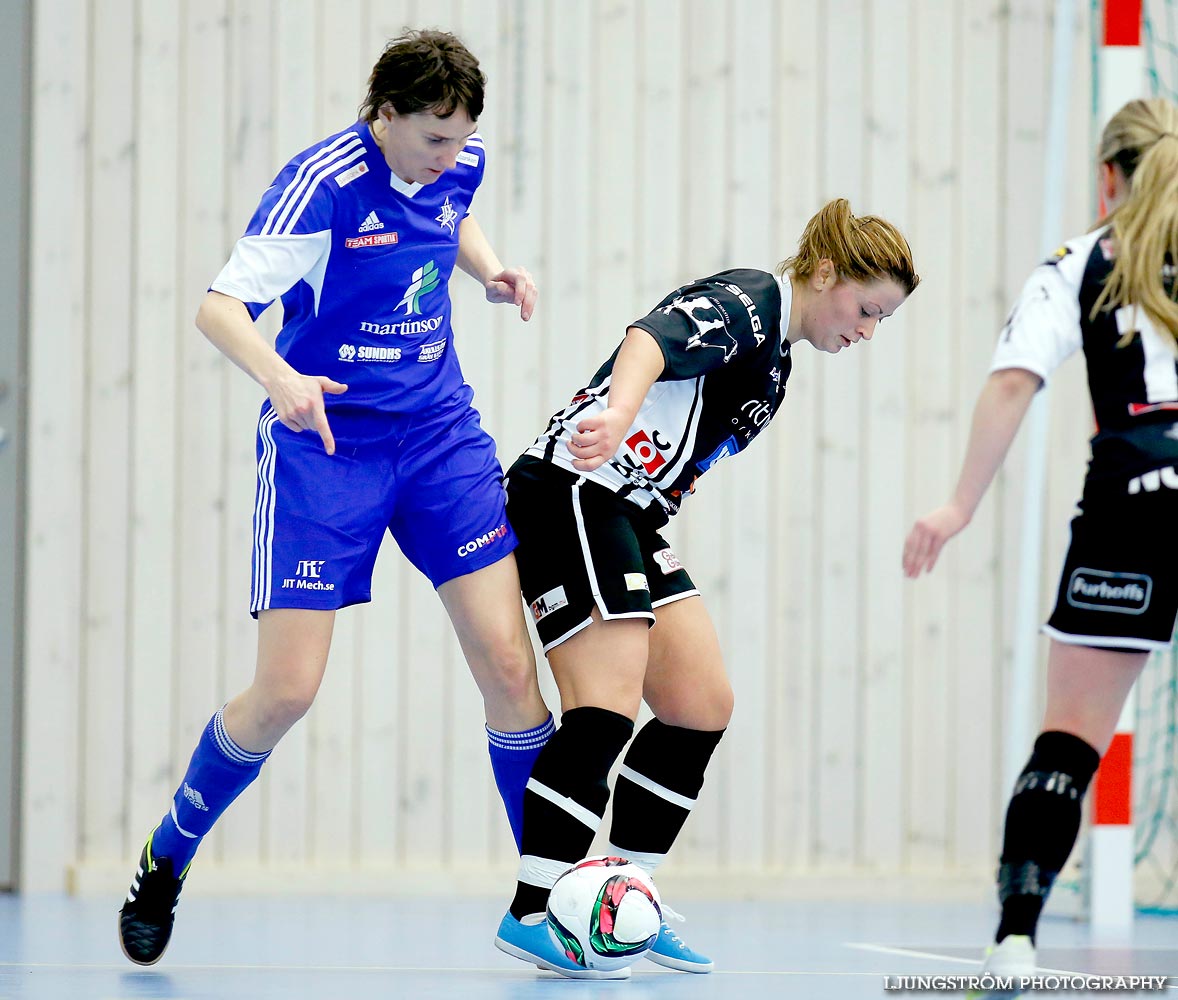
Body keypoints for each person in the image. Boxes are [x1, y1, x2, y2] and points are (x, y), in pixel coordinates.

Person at [118, 29, 554, 965]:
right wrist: (279, 377)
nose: (453, 157)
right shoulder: (320, 187)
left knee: (511, 667)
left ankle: (548, 897)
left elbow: (454, 211)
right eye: (433, 140)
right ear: (384, 116)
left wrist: (489, 269)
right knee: (286, 691)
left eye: (462, 140)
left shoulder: (457, 158)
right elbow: (218, 309)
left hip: (438, 435)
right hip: (327, 447)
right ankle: (168, 855)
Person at [490, 199, 919, 979]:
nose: (867, 331)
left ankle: (622, 893)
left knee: (700, 706)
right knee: (604, 708)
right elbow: (648, 337)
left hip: (630, 513)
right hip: (575, 489)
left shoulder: (779, 365)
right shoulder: (752, 302)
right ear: (824, 273)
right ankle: (533, 909)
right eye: (866, 309)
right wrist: (619, 412)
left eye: (882, 320)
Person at [903, 97, 1178, 996]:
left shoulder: (1079, 263)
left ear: (1109, 178)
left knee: (1068, 742)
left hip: (1128, 511)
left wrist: (957, 505)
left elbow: (1013, 383)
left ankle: (1015, 943)